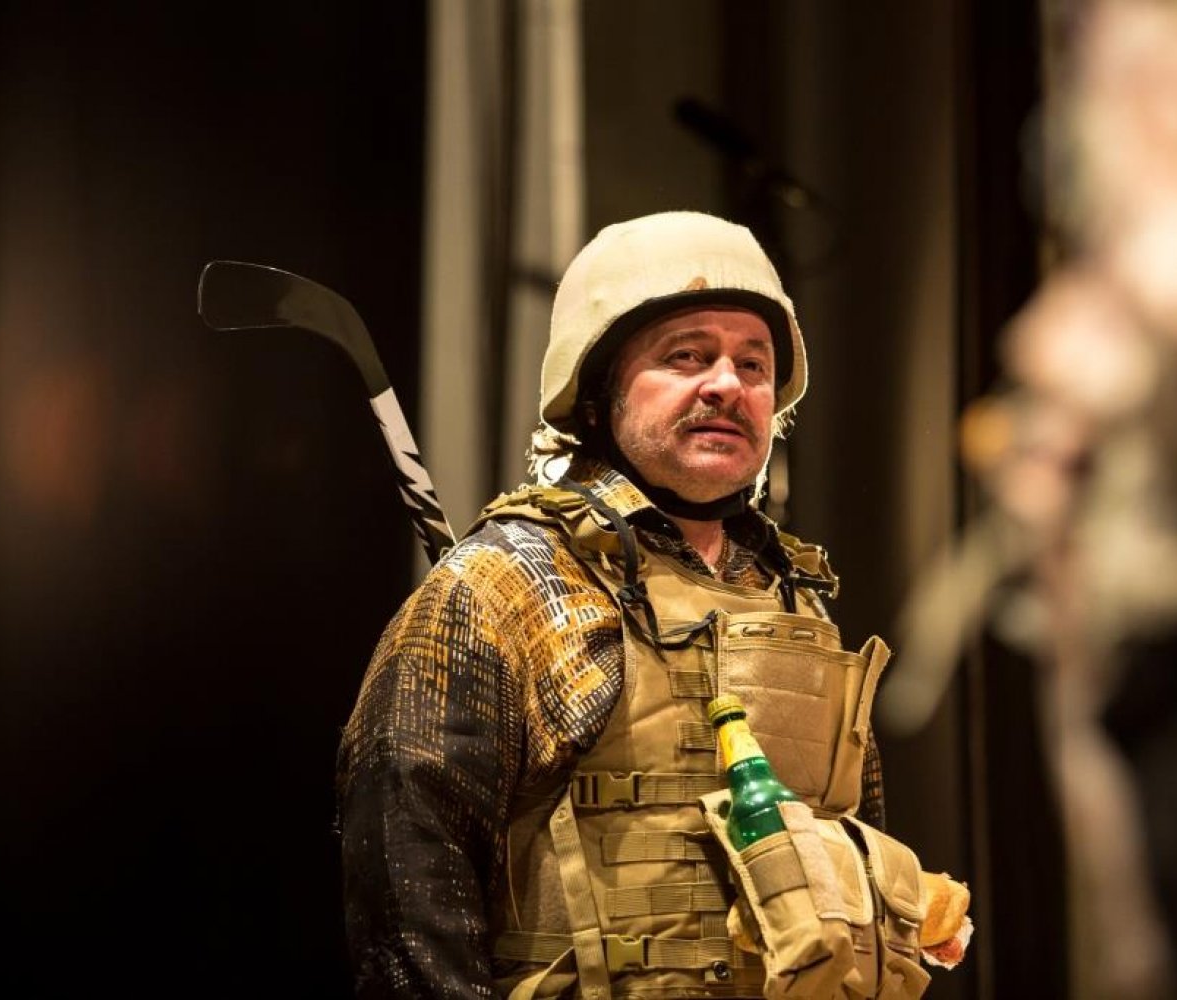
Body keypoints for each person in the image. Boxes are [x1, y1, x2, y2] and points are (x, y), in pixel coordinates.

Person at [335, 211, 910, 999]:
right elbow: (408, 901)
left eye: (752, 363)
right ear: (598, 392)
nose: (726, 384)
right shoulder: (502, 587)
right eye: (686, 355)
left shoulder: (795, 602)